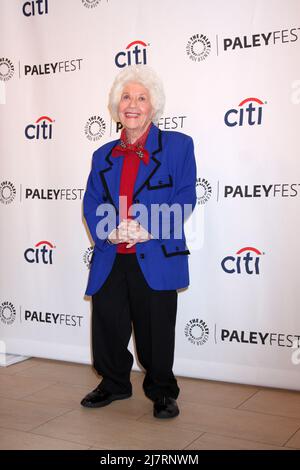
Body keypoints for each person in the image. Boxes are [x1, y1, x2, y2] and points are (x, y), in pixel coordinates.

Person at [81, 65, 197, 419]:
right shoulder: (102, 155)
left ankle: (162, 391)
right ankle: (114, 383)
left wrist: (149, 226)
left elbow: (185, 195)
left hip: (156, 251)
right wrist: (109, 230)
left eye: (141, 98)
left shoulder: (178, 146)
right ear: (117, 107)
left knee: (156, 328)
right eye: (126, 98)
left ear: (153, 107)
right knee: (108, 323)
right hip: (112, 253)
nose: (132, 104)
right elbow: (92, 201)